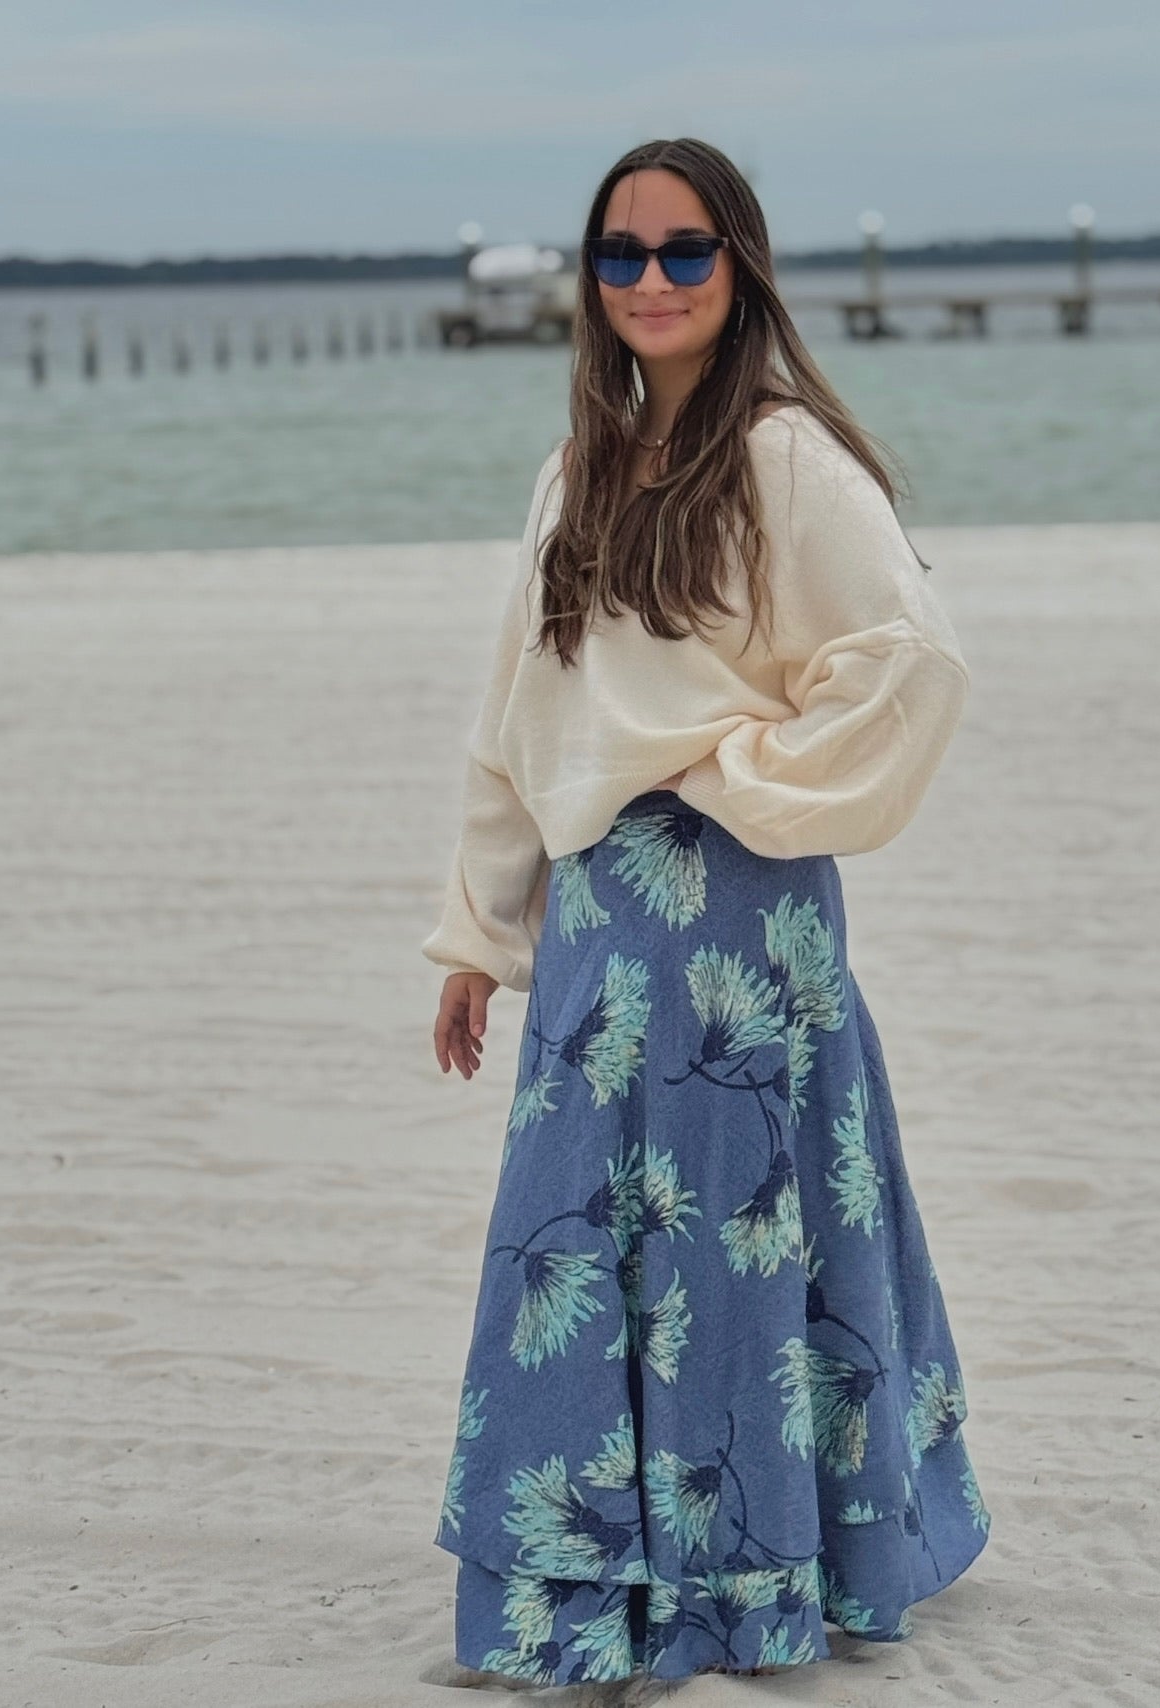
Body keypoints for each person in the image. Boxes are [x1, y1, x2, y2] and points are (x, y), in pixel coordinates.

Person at [421, 136, 991, 1685]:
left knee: (735, 1245)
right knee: (582, 1247)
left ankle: (746, 1580)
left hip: (740, 918)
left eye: (684, 251)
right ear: (590, 279)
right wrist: (479, 932)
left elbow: (908, 661)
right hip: (602, 929)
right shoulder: (578, 469)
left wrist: (738, 774)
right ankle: (584, 1580)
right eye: (622, 254)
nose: (652, 281)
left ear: (737, 268)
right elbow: (517, 718)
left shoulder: (788, 455)